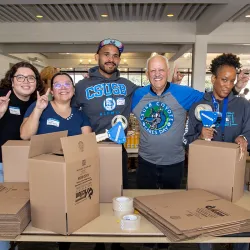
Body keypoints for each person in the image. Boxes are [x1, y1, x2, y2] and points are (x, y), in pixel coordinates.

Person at [183, 53, 250, 250]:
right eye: (223, 79)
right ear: (213, 78)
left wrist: (244, 138)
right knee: (205, 224)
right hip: (205, 177)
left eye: (231, 81)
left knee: (241, 224)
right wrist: (200, 137)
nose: (227, 85)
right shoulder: (198, 105)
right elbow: (186, 141)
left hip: (234, 175)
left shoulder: (243, 105)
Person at [0, 61, 44, 250]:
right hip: (1, 166)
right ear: (11, 80)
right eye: (20, 77)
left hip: (24, 168)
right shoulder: (2, 98)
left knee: (17, 214)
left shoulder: (39, 103)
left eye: (30, 77)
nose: (25, 81)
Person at [20, 72, 91, 139]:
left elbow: (86, 144)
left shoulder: (81, 115)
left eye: (67, 84)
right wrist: (38, 109)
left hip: (72, 152)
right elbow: (25, 136)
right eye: (57, 85)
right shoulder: (39, 105)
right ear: (52, 91)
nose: (63, 88)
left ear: (73, 89)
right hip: (43, 152)